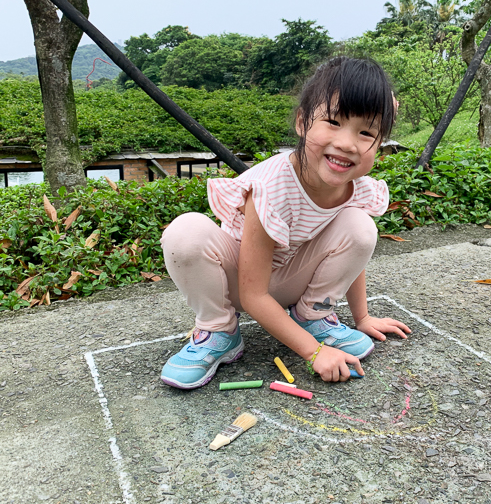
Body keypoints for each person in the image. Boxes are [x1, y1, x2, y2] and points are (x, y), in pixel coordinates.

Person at [159, 56, 411, 389]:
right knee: (185, 233)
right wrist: (314, 353)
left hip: (293, 281)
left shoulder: (356, 188)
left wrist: (362, 317)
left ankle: (313, 316)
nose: (348, 143)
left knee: (361, 227)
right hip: (238, 282)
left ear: (380, 145)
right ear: (302, 123)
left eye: (366, 132)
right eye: (333, 122)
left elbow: (354, 253)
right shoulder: (272, 187)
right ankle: (219, 332)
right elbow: (253, 295)